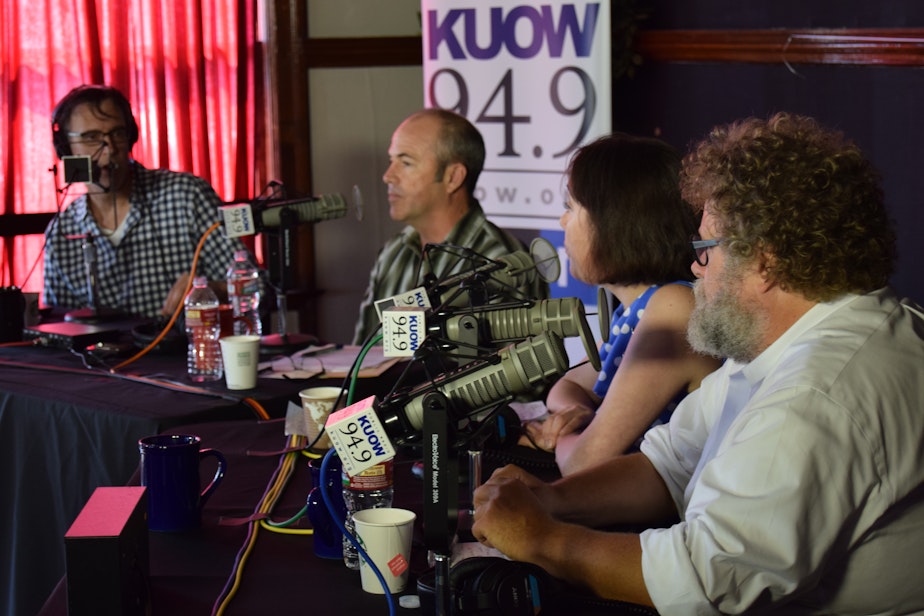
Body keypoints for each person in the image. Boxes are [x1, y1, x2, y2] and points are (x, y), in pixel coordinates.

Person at [471, 113, 924, 614]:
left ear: (765, 263)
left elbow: (706, 580)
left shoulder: (814, 397)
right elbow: (670, 464)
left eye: (705, 249)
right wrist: (553, 500)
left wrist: (544, 540)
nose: (693, 268)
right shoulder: (789, 343)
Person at [522, 134, 722, 475]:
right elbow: (567, 386)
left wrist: (558, 436)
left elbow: (583, 463)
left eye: (571, 207)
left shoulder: (672, 308)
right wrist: (577, 413)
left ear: (617, 222)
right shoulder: (636, 309)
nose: (562, 222)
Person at [43, 84, 244, 319]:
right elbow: (56, 329)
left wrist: (211, 290)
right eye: (91, 138)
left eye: (117, 134)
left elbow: (254, 287)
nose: (108, 150)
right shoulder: (60, 234)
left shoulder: (187, 196)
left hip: (182, 351)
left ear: (131, 137)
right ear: (65, 147)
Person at [353, 108, 548, 344]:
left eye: (405, 162)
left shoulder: (501, 261)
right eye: (391, 160)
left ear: (453, 177)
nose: (388, 176)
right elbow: (363, 360)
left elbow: (522, 373)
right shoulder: (393, 254)